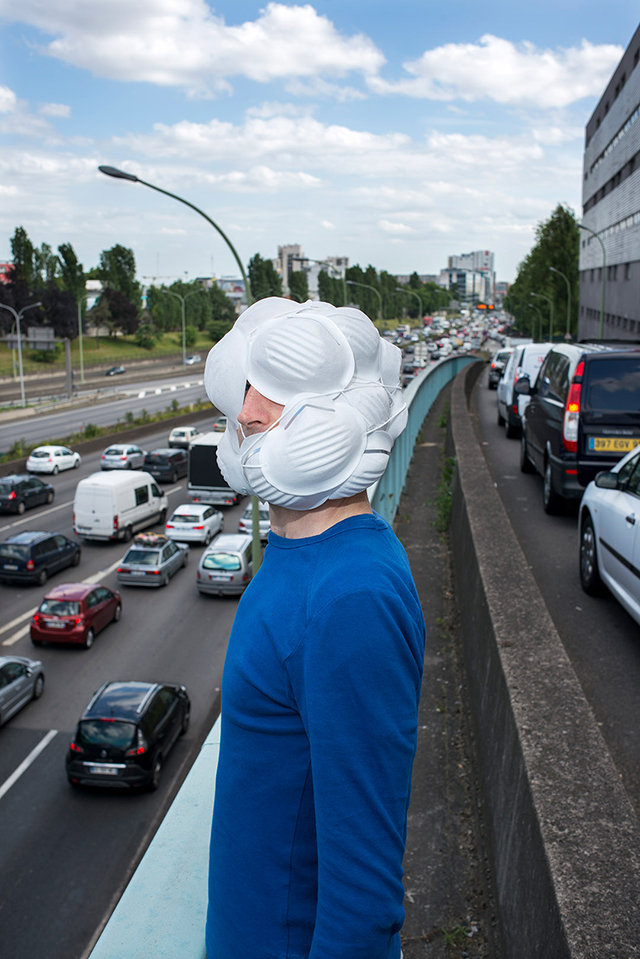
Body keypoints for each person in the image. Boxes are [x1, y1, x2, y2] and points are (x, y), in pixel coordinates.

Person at [204, 297, 426, 959]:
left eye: (275, 392)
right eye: (246, 386)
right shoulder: (307, 557)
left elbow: (363, 902)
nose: (246, 412)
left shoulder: (350, 596)